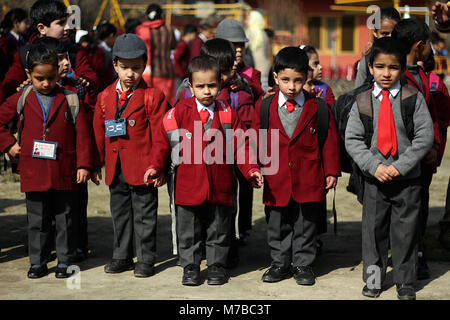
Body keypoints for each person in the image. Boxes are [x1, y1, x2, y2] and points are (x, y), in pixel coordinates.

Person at [144, 55, 263, 286]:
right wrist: (155, 167)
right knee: (188, 230)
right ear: (190, 86)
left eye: (212, 85)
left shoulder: (228, 114)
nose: (206, 91)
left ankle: (217, 265)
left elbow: (241, 145)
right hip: (188, 186)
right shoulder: (178, 112)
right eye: (200, 86)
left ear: (220, 84)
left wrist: (251, 169)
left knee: (219, 228)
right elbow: (162, 143)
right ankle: (190, 266)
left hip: (220, 185)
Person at [345, 37, 434, 300]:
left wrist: (400, 167)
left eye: (393, 67)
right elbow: (352, 139)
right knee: (373, 232)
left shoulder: (413, 99)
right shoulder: (361, 101)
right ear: (370, 67)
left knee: (405, 232)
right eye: (380, 66)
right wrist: (375, 166)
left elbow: (424, 137)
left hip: (407, 179)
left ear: (403, 69)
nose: (386, 73)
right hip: (374, 179)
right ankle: (374, 280)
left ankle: (405, 282)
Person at [0, 43, 93, 279]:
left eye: (50, 78)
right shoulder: (22, 97)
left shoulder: (71, 99)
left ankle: (65, 260)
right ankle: (38, 262)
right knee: (37, 220)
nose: (45, 83)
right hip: (34, 170)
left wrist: (84, 165)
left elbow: (83, 135)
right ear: (28, 75)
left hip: (64, 170)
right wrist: (9, 144)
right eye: (39, 78)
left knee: (66, 218)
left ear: (58, 74)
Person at [252, 47, 340, 286]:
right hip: (276, 177)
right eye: (286, 80)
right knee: (277, 223)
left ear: (307, 78)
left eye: (298, 80)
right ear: (276, 78)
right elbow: (255, 139)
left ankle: (303, 263)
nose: (292, 87)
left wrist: (331, 171)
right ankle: (280, 262)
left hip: (308, 176)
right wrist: (254, 167)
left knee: (305, 223)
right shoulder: (264, 107)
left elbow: (330, 141)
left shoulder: (318, 107)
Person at [92, 34, 168, 278]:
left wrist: (159, 166)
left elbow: (160, 136)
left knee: (145, 216)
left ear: (144, 64)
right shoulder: (104, 97)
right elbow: (98, 133)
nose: (130, 74)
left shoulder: (152, 97)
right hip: (116, 168)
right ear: (114, 65)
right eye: (124, 67)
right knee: (120, 214)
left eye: (136, 68)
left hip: (144, 168)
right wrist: (95, 163)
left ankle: (146, 259)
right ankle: (121, 256)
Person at [392, 18, 441, 280]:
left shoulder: (423, 76)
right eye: (429, 44)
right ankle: (401, 255)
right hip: (398, 156)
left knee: (418, 207)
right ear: (421, 46)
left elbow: (432, 116)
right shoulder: (396, 76)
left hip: (421, 158)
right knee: (400, 209)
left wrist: (434, 145)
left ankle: (417, 254)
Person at [1, 0, 98, 101]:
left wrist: (86, 81)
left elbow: (89, 73)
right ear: (42, 28)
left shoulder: (74, 51)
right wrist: (20, 88)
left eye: (67, 22)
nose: (68, 27)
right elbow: (10, 83)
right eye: (61, 23)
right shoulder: (25, 53)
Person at [136, 3, 177, 105]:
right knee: (166, 103)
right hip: (166, 71)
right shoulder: (169, 29)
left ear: (146, 16)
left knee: (148, 102)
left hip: (146, 72)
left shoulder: (141, 30)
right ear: (161, 15)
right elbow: (173, 46)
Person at [215, 18, 265, 102]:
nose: (239, 49)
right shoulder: (210, 69)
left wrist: (245, 86)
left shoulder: (252, 73)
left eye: (241, 45)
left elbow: (259, 97)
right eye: (233, 45)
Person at [354, 7, 401, 88]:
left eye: (394, 34)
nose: (389, 37)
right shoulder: (366, 61)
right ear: (375, 32)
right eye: (385, 33)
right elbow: (358, 93)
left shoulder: (405, 57)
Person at [0, 8, 30, 81]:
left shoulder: (23, 39)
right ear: (16, 23)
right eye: (25, 22)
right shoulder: (7, 41)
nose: (28, 26)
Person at [245, 10, 271, 91]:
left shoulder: (249, 32)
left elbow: (243, 48)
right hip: (265, 68)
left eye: (248, 19)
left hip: (254, 69)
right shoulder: (263, 33)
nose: (245, 21)